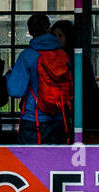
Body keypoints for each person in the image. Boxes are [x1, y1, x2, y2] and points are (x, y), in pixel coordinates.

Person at [7, 13, 73, 144]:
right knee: (54, 162)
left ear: (30, 31)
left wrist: (9, 74)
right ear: (49, 28)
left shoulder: (27, 56)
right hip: (59, 119)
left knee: (29, 162)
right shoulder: (62, 55)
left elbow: (15, 91)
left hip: (33, 119)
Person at [50, 18, 99, 135]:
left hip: (84, 110)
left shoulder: (78, 60)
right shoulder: (53, 58)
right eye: (54, 36)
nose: (56, 39)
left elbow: (87, 87)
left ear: (69, 37)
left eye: (60, 35)